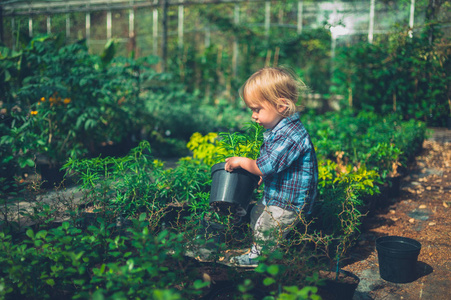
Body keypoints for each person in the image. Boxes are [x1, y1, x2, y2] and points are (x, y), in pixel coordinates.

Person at [224, 67, 318, 267]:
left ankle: (260, 262)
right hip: (277, 196)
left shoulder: (289, 134)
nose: (253, 116)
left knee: (266, 227)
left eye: (257, 109)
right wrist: (263, 175)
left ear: (281, 106)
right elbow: (275, 164)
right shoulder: (280, 129)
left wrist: (242, 162)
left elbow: (265, 165)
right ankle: (261, 253)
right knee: (258, 216)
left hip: (288, 202)